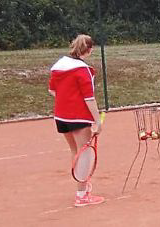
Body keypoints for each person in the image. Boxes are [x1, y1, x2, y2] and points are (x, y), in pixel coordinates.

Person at [49, 34, 104, 207]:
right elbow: (89, 98)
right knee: (85, 152)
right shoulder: (84, 70)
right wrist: (98, 121)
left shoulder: (58, 66)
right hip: (78, 117)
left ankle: (82, 188)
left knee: (76, 151)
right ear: (89, 50)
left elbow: (52, 91)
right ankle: (81, 195)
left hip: (61, 116)